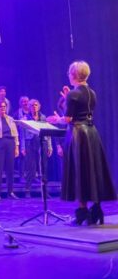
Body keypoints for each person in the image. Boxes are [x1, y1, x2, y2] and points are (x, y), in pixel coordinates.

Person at [47, 61, 116, 225]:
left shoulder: (74, 94)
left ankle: (83, 212)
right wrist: (67, 98)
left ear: (74, 75)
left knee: (81, 172)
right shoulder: (92, 92)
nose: (68, 76)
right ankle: (96, 209)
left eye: (69, 73)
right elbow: (81, 109)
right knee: (93, 170)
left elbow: (69, 119)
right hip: (92, 133)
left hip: (78, 134)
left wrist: (57, 119)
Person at [22, 99, 52, 198]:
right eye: (31, 105)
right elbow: (22, 134)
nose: (34, 107)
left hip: (41, 142)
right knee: (31, 167)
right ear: (29, 107)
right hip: (30, 142)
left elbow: (48, 132)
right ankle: (27, 190)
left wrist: (49, 146)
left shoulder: (43, 117)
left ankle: (45, 191)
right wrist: (22, 147)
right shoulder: (26, 118)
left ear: (39, 107)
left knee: (44, 167)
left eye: (35, 105)